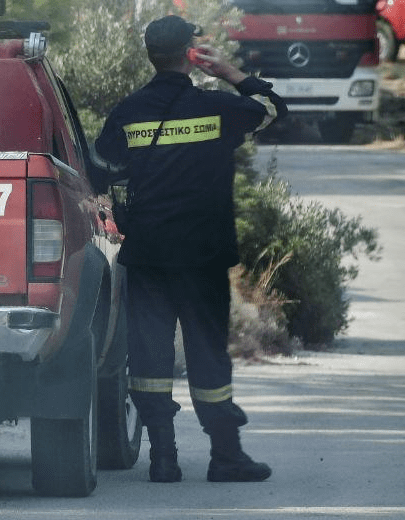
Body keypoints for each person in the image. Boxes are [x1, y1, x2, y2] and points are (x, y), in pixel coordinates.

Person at [93, 15, 288, 483]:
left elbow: (100, 169)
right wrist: (229, 73)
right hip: (203, 256)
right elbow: (273, 109)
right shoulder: (218, 107)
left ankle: (163, 459)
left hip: (148, 255)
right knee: (207, 354)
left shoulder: (129, 111)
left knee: (149, 358)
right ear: (190, 54)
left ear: (150, 55)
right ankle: (226, 456)